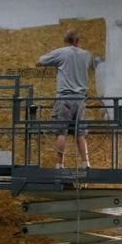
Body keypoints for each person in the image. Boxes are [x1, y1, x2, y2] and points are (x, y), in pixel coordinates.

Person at [37, 29, 92, 169]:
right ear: (77, 41)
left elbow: (40, 61)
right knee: (79, 133)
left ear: (65, 41)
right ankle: (86, 163)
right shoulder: (86, 55)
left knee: (61, 132)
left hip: (65, 97)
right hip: (80, 99)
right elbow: (92, 65)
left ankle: (60, 164)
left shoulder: (61, 52)